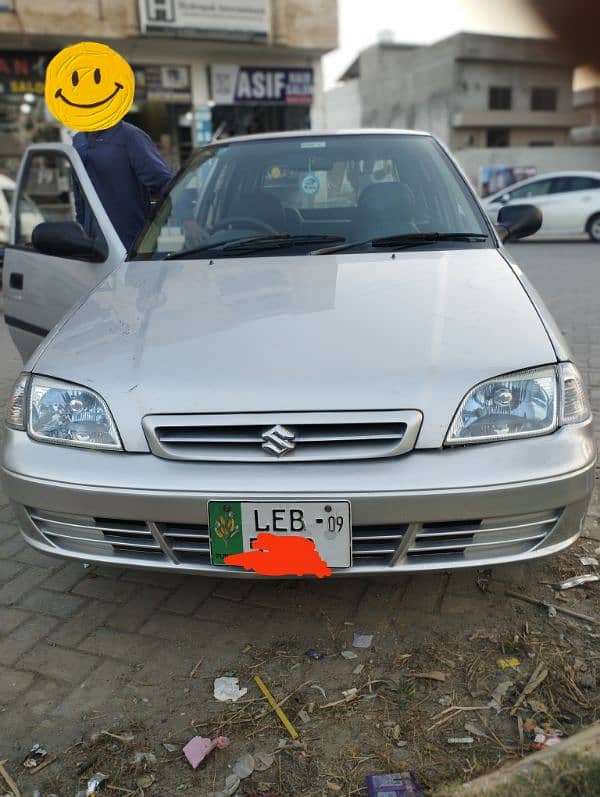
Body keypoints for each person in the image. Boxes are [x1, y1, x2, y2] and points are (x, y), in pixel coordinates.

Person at [73, 120, 173, 250]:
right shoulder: (78, 140)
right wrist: (80, 234)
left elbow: (165, 182)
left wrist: (186, 220)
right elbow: (79, 194)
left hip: (128, 244)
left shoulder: (130, 136)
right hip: (92, 247)